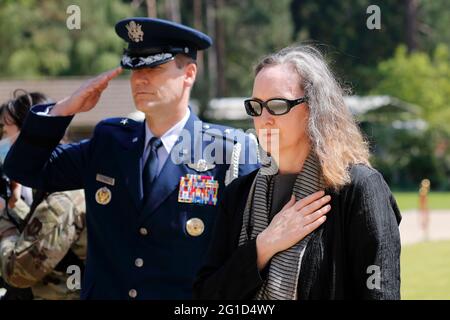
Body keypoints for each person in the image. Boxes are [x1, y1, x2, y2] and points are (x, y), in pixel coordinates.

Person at [4, 18, 258, 300]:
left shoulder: (228, 153)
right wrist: (64, 109)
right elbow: (25, 169)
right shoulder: (110, 142)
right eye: (134, 68)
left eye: (154, 67)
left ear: (189, 74)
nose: (140, 79)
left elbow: (244, 253)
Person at [194, 45, 402, 300]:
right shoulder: (239, 193)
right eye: (256, 106)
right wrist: (264, 245)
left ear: (315, 108)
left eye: (278, 105)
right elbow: (206, 296)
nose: (264, 118)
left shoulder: (360, 188)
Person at [0, 90, 86, 300]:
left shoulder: (64, 193)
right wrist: (14, 206)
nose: (2, 141)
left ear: (26, 135)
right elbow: (41, 230)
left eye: (4, 132)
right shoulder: (62, 177)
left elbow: (18, 271)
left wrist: (3, 220)